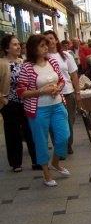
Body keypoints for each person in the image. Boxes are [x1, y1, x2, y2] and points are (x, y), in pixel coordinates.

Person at [17, 34, 70, 187]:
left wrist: (58, 88)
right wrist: (41, 91)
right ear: (33, 49)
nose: (46, 47)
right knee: (40, 141)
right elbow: (21, 92)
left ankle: (55, 162)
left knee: (63, 136)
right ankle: (46, 173)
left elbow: (60, 79)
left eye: (46, 45)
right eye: (42, 45)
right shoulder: (27, 67)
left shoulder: (52, 62)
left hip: (57, 104)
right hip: (38, 108)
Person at [0, 35, 39, 172]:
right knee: (13, 133)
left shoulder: (24, 62)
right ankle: (16, 163)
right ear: (6, 48)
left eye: (18, 44)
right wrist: (3, 99)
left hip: (26, 101)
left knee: (31, 131)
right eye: (15, 45)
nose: (18, 47)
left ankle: (36, 161)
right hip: (10, 103)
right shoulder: (2, 63)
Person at [44, 30, 80, 155]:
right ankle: (59, 146)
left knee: (68, 120)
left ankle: (68, 144)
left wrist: (78, 92)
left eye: (51, 38)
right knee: (53, 122)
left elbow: (74, 75)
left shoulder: (66, 55)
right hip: (51, 94)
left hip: (67, 92)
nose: (49, 41)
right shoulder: (43, 58)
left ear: (56, 40)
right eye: (46, 39)